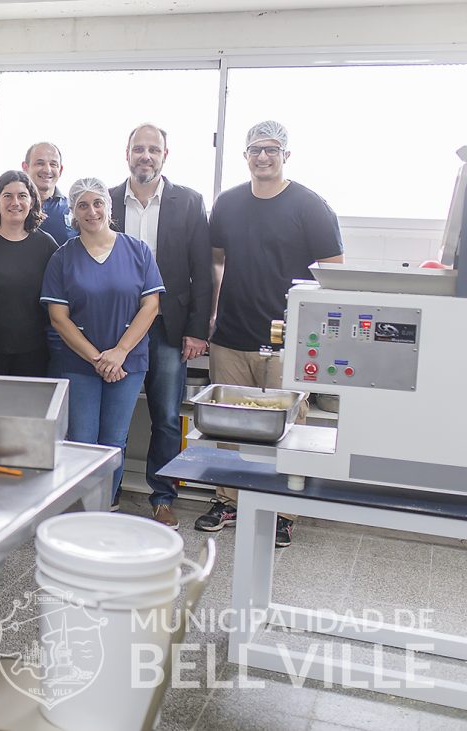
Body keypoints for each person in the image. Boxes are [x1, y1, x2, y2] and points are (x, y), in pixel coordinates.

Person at [196, 120, 344, 547]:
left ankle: (283, 510)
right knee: (228, 424)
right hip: (231, 335)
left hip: (288, 340)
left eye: (272, 149)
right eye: (256, 150)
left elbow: (333, 271)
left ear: (286, 155)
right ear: (245, 156)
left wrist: (315, 332)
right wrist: (212, 314)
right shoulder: (227, 204)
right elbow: (217, 260)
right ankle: (228, 500)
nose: (263, 157)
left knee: (289, 426)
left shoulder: (309, 206)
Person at [109, 124, 213, 529]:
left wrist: (197, 329)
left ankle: (163, 497)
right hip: (117, 328)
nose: (146, 156)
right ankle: (109, 491)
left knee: (167, 416)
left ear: (165, 155)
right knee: (114, 418)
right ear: (127, 153)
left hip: (168, 328)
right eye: (139, 149)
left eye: (154, 149)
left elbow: (202, 270)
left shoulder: (189, 202)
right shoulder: (107, 200)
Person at [42, 178, 164, 506]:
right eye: (83, 205)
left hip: (128, 363)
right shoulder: (62, 257)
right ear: (73, 211)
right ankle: (79, 511)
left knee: (113, 442)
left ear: (109, 207)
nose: (91, 211)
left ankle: (103, 508)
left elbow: (151, 306)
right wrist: (99, 358)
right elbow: (59, 318)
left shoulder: (138, 251)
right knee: (81, 441)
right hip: (79, 363)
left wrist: (120, 352)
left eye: (98, 203)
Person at [0, 171, 58, 377]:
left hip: (34, 352)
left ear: (32, 202)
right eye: (7, 196)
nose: (15, 202)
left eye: (22, 196)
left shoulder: (46, 245)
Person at [22, 142, 74, 246]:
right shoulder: (12, 208)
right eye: (40, 163)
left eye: (53, 164)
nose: (47, 170)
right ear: (25, 167)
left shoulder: (73, 210)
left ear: (60, 170)